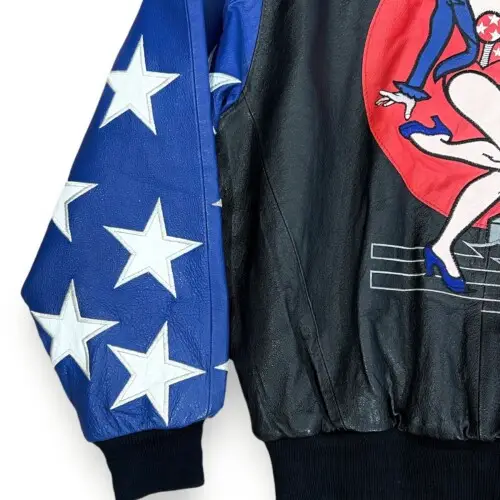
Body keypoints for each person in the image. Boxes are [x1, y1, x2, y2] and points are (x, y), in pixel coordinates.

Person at [377, 0, 500, 293]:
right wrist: (410, 92)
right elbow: (435, 40)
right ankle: (441, 147)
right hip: (466, 79)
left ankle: (442, 246)